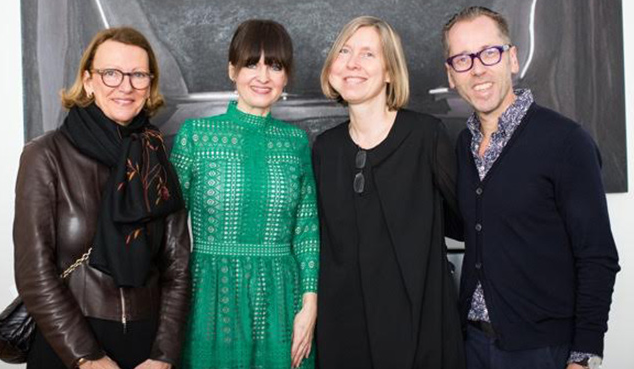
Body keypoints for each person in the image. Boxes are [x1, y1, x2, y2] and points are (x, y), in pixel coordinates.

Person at [442, 6, 620, 369]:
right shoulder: (462, 145)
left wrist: (583, 356)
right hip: (472, 343)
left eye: (489, 52)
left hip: (540, 351)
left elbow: (597, 255)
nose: (477, 69)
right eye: (462, 59)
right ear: (450, 75)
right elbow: (478, 227)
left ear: (512, 59)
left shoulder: (566, 142)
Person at [14, 27, 191, 369]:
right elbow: (34, 272)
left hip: (147, 347)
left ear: (149, 84)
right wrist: (87, 359)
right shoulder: (45, 155)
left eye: (138, 75)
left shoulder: (156, 157)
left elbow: (177, 266)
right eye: (111, 73)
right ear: (89, 80)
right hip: (68, 345)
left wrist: (163, 355)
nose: (125, 86)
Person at [313, 16, 465, 369]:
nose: (352, 63)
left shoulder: (427, 136)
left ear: (389, 72)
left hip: (419, 334)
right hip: (342, 335)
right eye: (344, 51)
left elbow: (466, 223)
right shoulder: (325, 148)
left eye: (368, 54)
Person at [170, 19, 319, 369]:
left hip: (283, 300)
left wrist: (309, 306)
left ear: (286, 77)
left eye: (275, 65)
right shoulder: (196, 135)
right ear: (232, 70)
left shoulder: (296, 142)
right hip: (209, 297)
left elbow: (307, 231)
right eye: (252, 63)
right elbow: (168, 232)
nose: (263, 76)